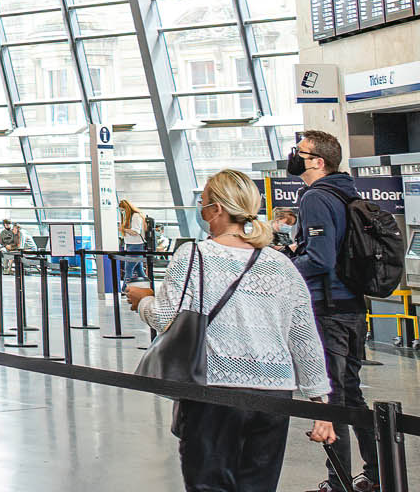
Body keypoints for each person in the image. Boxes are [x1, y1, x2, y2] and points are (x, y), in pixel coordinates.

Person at [125, 170, 333, 492]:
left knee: (209, 484)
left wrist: (142, 301)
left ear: (218, 210)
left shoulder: (194, 256)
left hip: (214, 391)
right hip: (275, 395)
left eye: (203, 202)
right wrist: (320, 403)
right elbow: (304, 337)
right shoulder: (280, 265)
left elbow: (165, 317)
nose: (201, 208)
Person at [290, 130, 378, 492]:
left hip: (330, 310)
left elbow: (321, 259)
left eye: (301, 152)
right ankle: (375, 473)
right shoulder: (347, 192)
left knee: (333, 398)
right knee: (352, 394)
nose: (295, 156)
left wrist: (287, 263)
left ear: (318, 162)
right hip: (354, 307)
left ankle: (337, 483)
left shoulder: (316, 197)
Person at [120, 198, 149, 282]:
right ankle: (147, 287)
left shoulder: (136, 216)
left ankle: (125, 289)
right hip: (131, 245)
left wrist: (124, 229)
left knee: (128, 269)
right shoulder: (130, 217)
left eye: (123, 210)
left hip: (136, 245)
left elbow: (135, 232)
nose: (122, 213)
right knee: (139, 270)